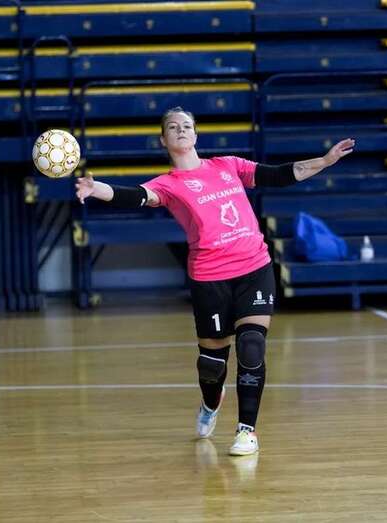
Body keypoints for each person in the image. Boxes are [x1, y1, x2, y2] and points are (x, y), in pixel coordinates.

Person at [76, 107, 355, 456]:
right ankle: (211, 403)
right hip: (210, 278)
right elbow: (136, 195)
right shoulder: (168, 184)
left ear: (196, 135)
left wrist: (324, 161)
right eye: (173, 127)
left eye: (187, 126)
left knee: (252, 345)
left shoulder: (228, 166)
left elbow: (280, 174)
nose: (181, 131)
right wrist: (96, 188)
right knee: (212, 365)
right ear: (164, 140)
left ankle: (247, 431)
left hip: (254, 266)